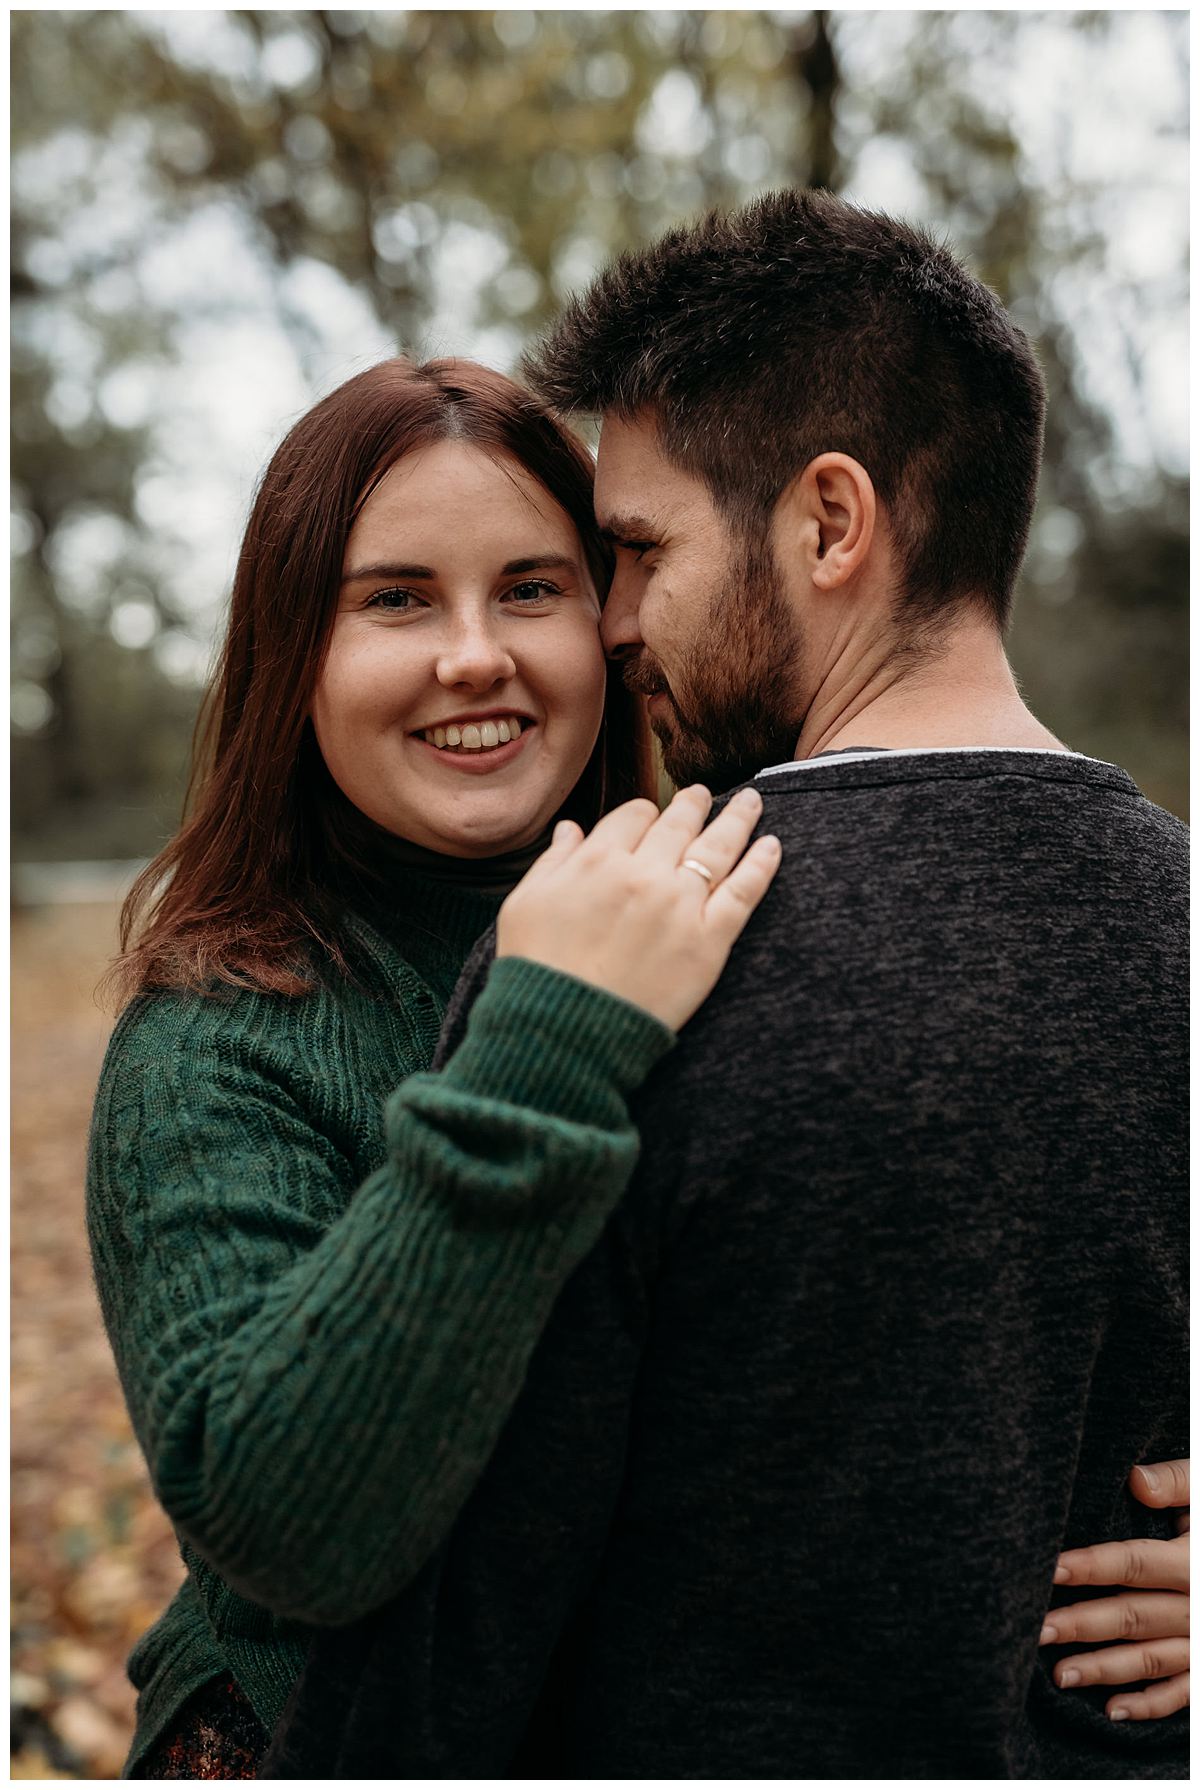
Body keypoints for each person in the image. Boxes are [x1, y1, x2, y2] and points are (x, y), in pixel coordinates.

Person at [263, 190, 1188, 1779]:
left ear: (831, 523)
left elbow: (455, 1641)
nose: (615, 622)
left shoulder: (633, 952)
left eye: (639, 551)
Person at [85, 357, 783, 1777]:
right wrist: (547, 1038)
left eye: (533, 586)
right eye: (397, 597)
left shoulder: (733, 907)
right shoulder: (214, 1044)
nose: (478, 654)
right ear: (295, 653)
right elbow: (285, 1526)